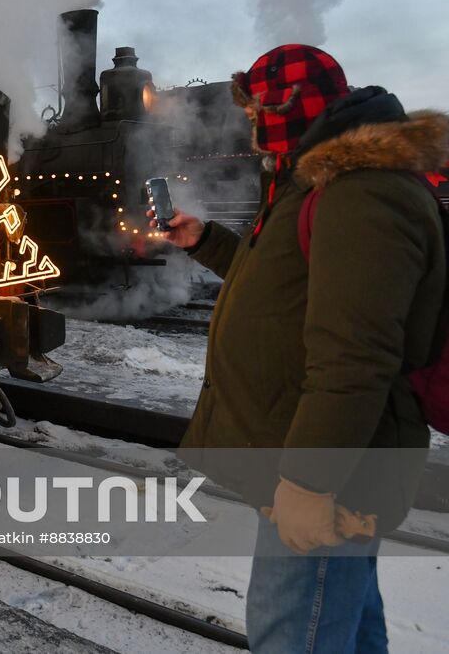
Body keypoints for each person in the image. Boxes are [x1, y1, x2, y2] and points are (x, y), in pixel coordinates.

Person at [155, 45, 447, 653]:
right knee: (346, 620)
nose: (251, 124)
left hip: (331, 468)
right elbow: (282, 291)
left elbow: (356, 357)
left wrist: (310, 484)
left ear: (289, 106)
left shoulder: (359, 193)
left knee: (293, 633)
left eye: (259, 109)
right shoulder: (306, 182)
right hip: (316, 451)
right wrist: (206, 239)